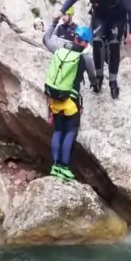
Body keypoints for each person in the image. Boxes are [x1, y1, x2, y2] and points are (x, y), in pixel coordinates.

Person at [42, 15, 96, 181]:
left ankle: (55, 166)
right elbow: (93, 79)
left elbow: (45, 39)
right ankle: (64, 167)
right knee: (70, 132)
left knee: (58, 131)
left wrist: (53, 22)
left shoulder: (59, 50)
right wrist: (96, 84)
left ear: (74, 37)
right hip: (70, 102)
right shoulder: (84, 58)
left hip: (55, 101)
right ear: (86, 43)